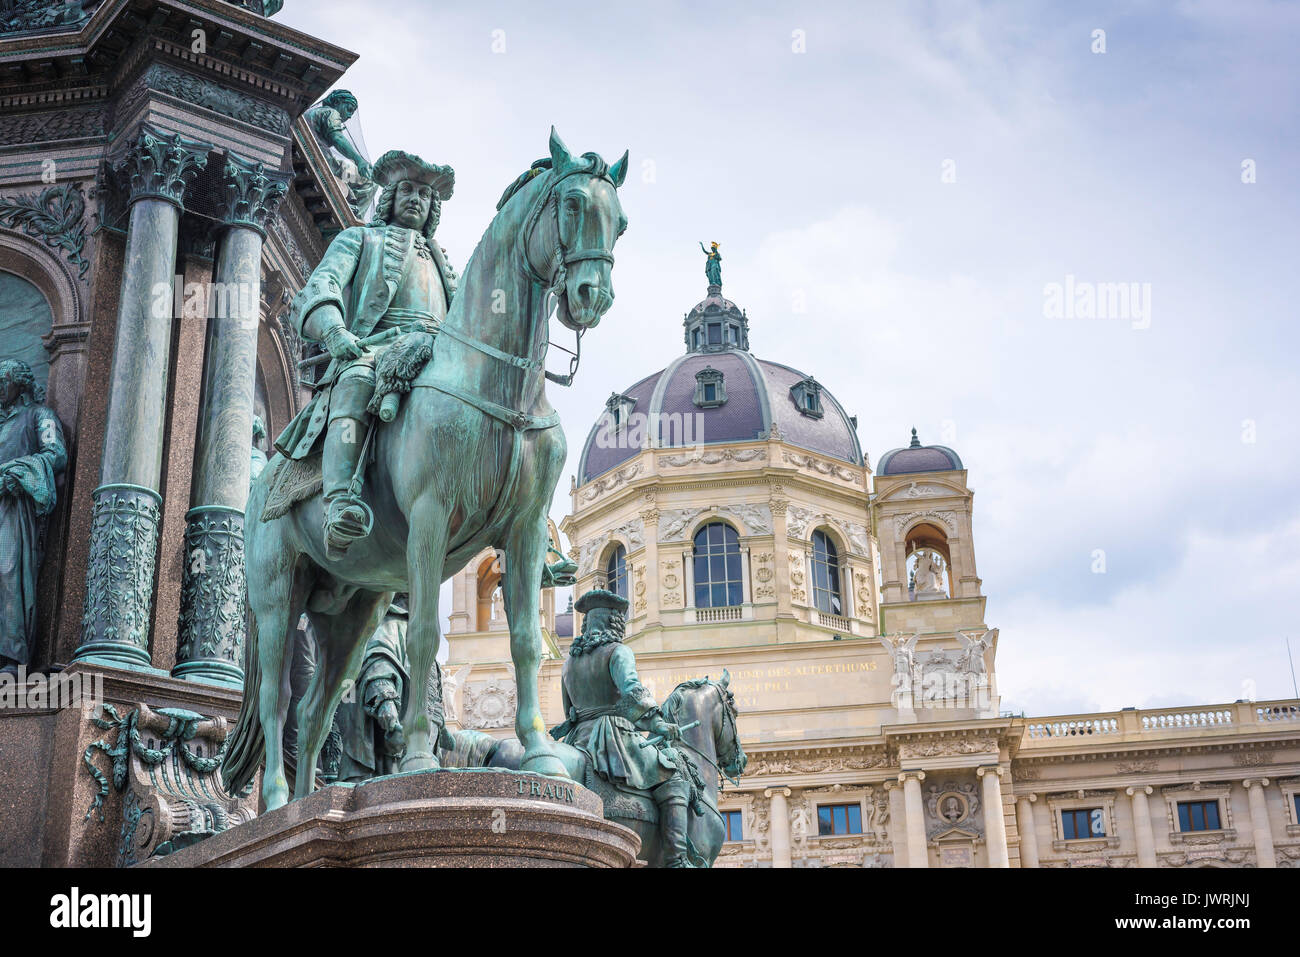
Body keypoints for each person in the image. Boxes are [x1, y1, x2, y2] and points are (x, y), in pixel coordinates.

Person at [273, 150, 457, 556]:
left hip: (439, 352)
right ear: (389, 197)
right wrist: (335, 332)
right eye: (407, 189)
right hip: (376, 348)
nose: (416, 199)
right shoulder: (359, 238)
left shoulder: (443, 261)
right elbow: (318, 290)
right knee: (356, 379)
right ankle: (339, 502)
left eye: (425, 194)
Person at [550, 589, 697, 867]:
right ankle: (677, 859)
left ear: (588, 624)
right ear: (613, 621)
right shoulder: (618, 652)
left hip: (576, 738)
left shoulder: (569, 662)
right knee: (675, 773)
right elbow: (632, 692)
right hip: (612, 736)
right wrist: (657, 723)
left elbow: (569, 711)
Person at [0, 358, 65, 673]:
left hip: (13, 508)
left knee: (7, 575)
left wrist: (16, 473)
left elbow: (55, 454)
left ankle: (11, 656)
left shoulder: (39, 416)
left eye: (3, 380)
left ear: (20, 384)